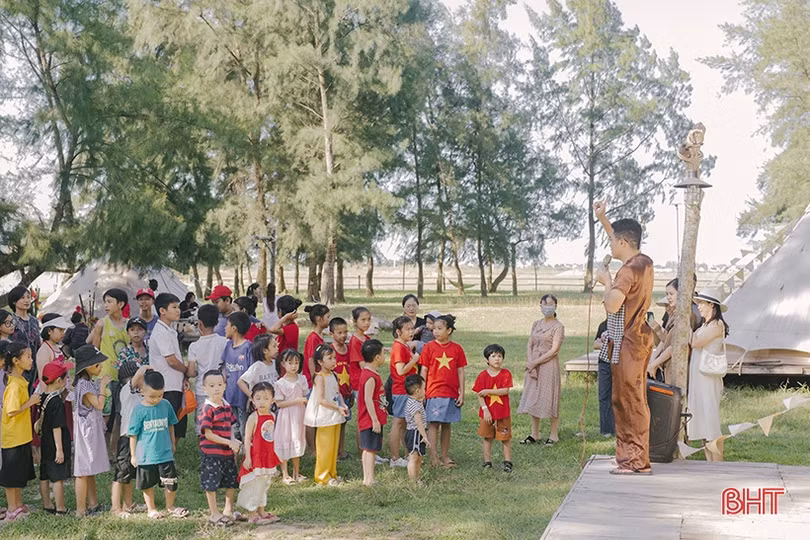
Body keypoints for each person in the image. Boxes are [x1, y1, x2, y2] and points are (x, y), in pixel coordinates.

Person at [593, 200, 655, 476]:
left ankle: (633, 460)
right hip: (635, 340)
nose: (609, 244)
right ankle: (632, 456)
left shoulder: (627, 271)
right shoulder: (643, 262)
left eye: (612, 241)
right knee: (630, 399)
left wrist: (606, 281)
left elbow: (612, 305)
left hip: (628, 342)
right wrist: (604, 218)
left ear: (623, 243)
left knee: (628, 401)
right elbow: (618, 235)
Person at [128, 370, 188, 519]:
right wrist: (134, 455)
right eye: (152, 396)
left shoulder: (166, 405)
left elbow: (171, 425)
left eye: (160, 395)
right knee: (147, 484)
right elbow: (133, 435)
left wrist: (173, 443)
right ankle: (151, 509)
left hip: (165, 453)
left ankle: (170, 506)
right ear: (142, 391)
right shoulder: (139, 410)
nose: (156, 399)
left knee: (171, 481)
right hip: (146, 455)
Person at [419, 314, 466, 468]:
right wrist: (422, 391)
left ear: (449, 330)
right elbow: (424, 370)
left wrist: (462, 392)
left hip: (451, 393)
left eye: (440, 328)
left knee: (447, 425)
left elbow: (460, 371)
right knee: (434, 424)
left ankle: (445, 456)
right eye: (434, 328)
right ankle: (433, 458)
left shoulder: (457, 349)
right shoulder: (429, 347)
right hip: (434, 392)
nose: (436, 331)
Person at [687, 289, 729, 461]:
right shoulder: (704, 325)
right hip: (698, 378)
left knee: (711, 422)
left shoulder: (717, 325)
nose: (699, 308)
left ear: (712, 305)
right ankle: (709, 463)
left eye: (702, 304)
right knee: (702, 422)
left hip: (708, 379)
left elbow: (696, 342)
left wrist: (686, 326)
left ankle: (718, 464)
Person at [518, 294, 565, 446]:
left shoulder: (558, 327)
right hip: (534, 363)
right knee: (533, 396)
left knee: (550, 397)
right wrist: (530, 362)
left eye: (551, 304)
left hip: (548, 364)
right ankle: (534, 433)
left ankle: (553, 434)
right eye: (544, 304)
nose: (547, 307)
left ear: (556, 306)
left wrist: (536, 362)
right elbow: (529, 343)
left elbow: (554, 350)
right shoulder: (536, 324)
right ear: (540, 306)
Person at [87, 287, 130, 453]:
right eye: (105, 301)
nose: (106, 305)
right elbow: (95, 350)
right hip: (105, 376)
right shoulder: (101, 324)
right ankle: (99, 450)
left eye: (110, 301)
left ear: (121, 304)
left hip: (124, 377)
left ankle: (114, 450)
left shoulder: (128, 325)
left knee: (120, 414)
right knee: (103, 414)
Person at [0, 342, 39, 522]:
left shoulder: (20, 381)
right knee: (11, 477)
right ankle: (11, 509)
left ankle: (18, 504)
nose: (31, 360)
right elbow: (11, 411)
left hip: (22, 436)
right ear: (16, 361)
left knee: (18, 475)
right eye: (28, 357)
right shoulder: (14, 385)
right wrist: (30, 402)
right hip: (12, 438)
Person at [72, 344, 112, 516]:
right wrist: (103, 386)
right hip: (85, 433)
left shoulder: (87, 382)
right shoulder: (85, 385)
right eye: (97, 364)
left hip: (91, 430)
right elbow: (99, 405)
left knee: (91, 469)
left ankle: (93, 504)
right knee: (83, 470)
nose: (101, 367)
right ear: (87, 367)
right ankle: (81, 510)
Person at [198, 369, 241, 527]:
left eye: (219, 384)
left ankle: (228, 510)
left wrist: (234, 440)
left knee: (231, 480)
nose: (216, 388)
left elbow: (230, 428)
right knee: (211, 482)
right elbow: (208, 434)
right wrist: (229, 442)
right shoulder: (207, 409)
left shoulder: (227, 406)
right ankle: (214, 514)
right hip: (211, 452)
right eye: (211, 385)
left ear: (225, 386)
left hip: (227, 452)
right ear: (204, 389)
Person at [237, 382, 282, 525]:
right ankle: (252, 513)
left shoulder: (273, 416)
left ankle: (262, 510)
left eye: (266, 398)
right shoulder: (253, 417)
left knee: (265, 483)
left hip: (268, 456)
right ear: (252, 400)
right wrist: (248, 457)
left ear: (273, 400)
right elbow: (247, 438)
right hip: (256, 456)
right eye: (258, 398)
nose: (262, 402)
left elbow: (273, 437)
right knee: (254, 484)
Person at [303, 344, 348, 486]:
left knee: (333, 447)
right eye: (330, 358)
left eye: (334, 358)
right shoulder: (319, 377)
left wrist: (343, 404)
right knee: (325, 448)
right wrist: (337, 407)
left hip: (335, 414)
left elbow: (337, 392)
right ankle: (322, 477)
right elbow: (321, 400)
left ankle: (332, 473)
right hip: (325, 417)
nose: (334, 361)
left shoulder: (333, 375)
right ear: (320, 362)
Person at [148, 293, 190, 440]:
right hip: (166, 386)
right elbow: (171, 360)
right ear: (162, 311)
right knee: (166, 426)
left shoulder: (170, 330)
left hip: (175, 384)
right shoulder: (161, 332)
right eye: (174, 307)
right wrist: (187, 370)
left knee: (177, 425)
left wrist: (184, 376)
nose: (178, 310)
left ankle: (170, 456)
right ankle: (164, 458)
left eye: (178, 307)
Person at [111, 361, 148, 518]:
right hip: (126, 439)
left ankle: (128, 504)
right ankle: (115, 508)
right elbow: (139, 375)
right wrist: (147, 367)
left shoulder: (138, 392)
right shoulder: (127, 389)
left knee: (129, 475)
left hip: (137, 438)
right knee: (120, 475)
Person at [647, 278, 702, 383]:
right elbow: (666, 341)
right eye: (667, 294)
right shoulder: (673, 315)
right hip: (668, 365)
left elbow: (675, 346)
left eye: (671, 294)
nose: (668, 297)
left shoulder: (686, 316)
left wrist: (655, 363)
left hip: (678, 367)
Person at [38, 361, 74, 516]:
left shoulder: (44, 396)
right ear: (59, 381)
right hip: (55, 443)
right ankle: (61, 508)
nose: (68, 379)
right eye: (66, 377)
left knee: (44, 475)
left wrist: (65, 392)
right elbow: (56, 426)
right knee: (57, 478)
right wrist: (60, 449)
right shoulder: (57, 403)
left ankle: (47, 504)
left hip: (45, 443)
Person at [187, 304, 228, 436]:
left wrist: (197, 372)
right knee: (219, 419)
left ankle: (204, 449)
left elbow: (191, 372)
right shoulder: (225, 342)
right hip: (220, 388)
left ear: (199, 323)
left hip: (202, 389)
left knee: (202, 421)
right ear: (217, 322)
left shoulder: (194, 346)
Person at [473, 344, 514, 472]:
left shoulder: (506, 373)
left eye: (500, 356)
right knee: (487, 437)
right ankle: (487, 461)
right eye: (493, 356)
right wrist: (485, 409)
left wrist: (488, 391)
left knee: (505, 437)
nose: (497, 359)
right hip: (487, 413)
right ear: (487, 360)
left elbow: (505, 391)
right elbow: (479, 394)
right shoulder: (482, 376)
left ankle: (507, 461)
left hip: (503, 412)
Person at [388, 316, 420, 468]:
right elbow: (400, 371)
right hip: (401, 390)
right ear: (398, 332)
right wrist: (414, 360)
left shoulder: (405, 345)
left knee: (406, 423)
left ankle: (407, 453)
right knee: (398, 422)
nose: (411, 331)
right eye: (407, 329)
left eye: (412, 328)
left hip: (407, 390)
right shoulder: (399, 347)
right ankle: (394, 457)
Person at [273, 350, 308, 485]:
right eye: (290, 363)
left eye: (296, 363)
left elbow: (306, 395)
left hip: (299, 415)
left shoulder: (302, 379)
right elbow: (279, 403)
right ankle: (285, 474)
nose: (294, 366)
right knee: (286, 440)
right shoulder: (280, 383)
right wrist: (296, 401)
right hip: (286, 416)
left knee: (297, 439)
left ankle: (296, 472)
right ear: (283, 363)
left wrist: (302, 401)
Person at [358, 339, 388, 486]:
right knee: (370, 450)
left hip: (371, 419)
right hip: (370, 420)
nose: (384, 356)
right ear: (377, 358)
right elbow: (368, 399)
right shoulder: (370, 377)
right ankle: (369, 479)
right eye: (383, 353)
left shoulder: (370, 372)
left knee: (368, 449)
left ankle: (367, 478)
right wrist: (375, 420)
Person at [222, 311, 253, 441]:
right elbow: (224, 367)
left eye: (226, 325)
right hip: (229, 395)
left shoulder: (248, 347)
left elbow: (252, 373)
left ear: (234, 328)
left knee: (244, 428)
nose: (224, 327)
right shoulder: (228, 345)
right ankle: (235, 455)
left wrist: (251, 397)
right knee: (233, 428)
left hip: (242, 397)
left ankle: (247, 457)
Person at [8, 286, 41, 392]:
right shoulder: (10, 321)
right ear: (14, 301)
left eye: (28, 297)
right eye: (22, 298)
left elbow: (38, 344)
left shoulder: (34, 321)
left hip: (33, 364)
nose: (27, 300)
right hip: (16, 365)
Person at [349, 307, 372, 456]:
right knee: (363, 416)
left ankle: (369, 449)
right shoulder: (355, 341)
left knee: (369, 415)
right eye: (363, 320)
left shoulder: (368, 339)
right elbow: (363, 365)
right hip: (359, 383)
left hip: (369, 381)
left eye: (369, 319)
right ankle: (363, 449)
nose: (367, 322)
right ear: (355, 321)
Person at [330, 317, 352, 460]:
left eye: (345, 332)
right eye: (339, 332)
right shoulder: (330, 351)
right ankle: (333, 452)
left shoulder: (349, 349)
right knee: (334, 424)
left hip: (347, 392)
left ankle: (342, 451)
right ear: (331, 334)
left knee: (344, 422)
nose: (343, 335)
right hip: (334, 394)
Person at [403, 374, 429, 482]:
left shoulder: (415, 402)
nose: (425, 390)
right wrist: (425, 436)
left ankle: (417, 477)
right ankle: (413, 481)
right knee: (413, 458)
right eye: (424, 388)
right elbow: (418, 423)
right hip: (415, 433)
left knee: (419, 457)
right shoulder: (414, 405)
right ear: (418, 391)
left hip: (417, 433)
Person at [593, 319, 614, 437]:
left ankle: (617, 427)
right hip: (604, 363)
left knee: (617, 396)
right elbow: (595, 344)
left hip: (618, 363)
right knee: (603, 395)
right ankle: (606, 429)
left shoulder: (622, 323)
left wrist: (603, 344)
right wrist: (607, 344)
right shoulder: (603, 325)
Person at [302, 304, 330, 388]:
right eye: (327, 317)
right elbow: (311, 360)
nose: (329, 319)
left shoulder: (320, 335)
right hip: (312, 382)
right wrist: (314, 379)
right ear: (319, 319)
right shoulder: (313, 338)